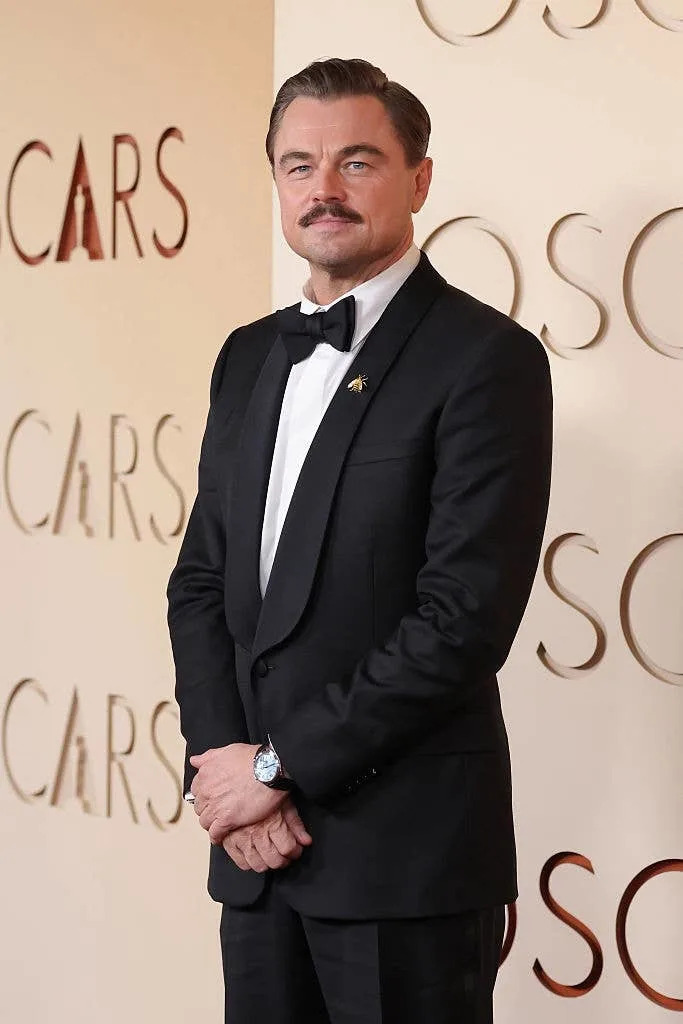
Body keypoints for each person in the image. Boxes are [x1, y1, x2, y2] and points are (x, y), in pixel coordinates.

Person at [166, 56, 553, 1024]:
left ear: (418, 180)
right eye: (298, 166)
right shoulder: (247, 354)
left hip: (403, 859)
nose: (323, 189)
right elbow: (201, 581)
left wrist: (273, 769)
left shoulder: (486, 359)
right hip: (256, 855)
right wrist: (223, 764)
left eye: (357, 161)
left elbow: (460, 623)